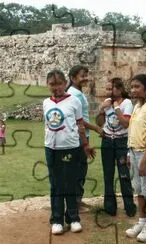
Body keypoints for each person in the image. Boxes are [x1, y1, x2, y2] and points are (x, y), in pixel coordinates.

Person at [43, 69, 95, 235]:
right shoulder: (46, 102)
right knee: (56, 184)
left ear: (65, 83)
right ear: (47, 85)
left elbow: (80, 125)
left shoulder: (74, 101)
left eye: (59, 83)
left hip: (71, 148)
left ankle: (73, 218)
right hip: (51, 149)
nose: (56, 87)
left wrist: (85, 144)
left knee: (70, 183)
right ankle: (57, 219)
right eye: (52, 84)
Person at [96, 77, 137, 217]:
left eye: (111, 89)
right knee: (108, 175)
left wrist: (115, 107)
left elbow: (126, 123)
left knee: (124, 174)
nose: (108, 91)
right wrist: (102, 108)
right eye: (107, 89)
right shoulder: (107, 103)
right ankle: (110, 207)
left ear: (119, 89)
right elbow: (100, 122)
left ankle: (129, 207)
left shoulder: (127, 103)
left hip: (121, 142)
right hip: (107, 141)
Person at [125, 74, 146, 242]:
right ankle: (142, 221)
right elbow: (133, 131)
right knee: (138, 189)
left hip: (145, 153)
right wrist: (130, 153)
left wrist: (144, 159)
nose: (133, 90)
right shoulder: (137, 106)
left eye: (137, 87)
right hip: (134, 151)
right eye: (132, 87)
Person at [67, 65, 103, 212]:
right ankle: (75, 203)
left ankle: (78, 200)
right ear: (73, 78)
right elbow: (79, 120)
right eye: (82, 76)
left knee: (81, 168)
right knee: (78, 170)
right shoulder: (73, 94)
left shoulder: (77, 92)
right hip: (78, 136)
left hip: (82, 135)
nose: (85, 78)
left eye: (86, 75)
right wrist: (96, 128)